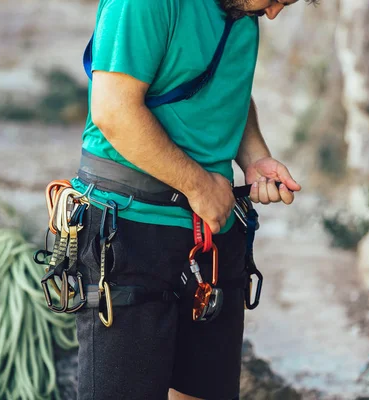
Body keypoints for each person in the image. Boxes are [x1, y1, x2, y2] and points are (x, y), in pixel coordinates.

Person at [72, 0, 311, 399]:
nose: (273, 14)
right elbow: (113, 110)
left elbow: (227, 91)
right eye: (277, 0)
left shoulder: (243, 11)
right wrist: (200, 186)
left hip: (213, 239)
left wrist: (254, 159)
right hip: (127, 232)